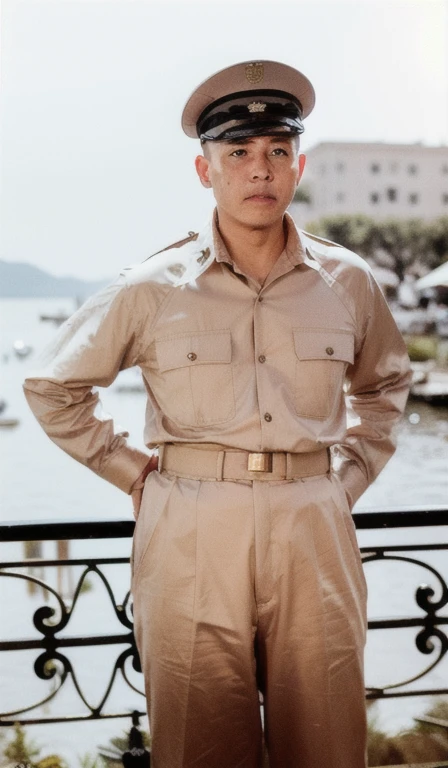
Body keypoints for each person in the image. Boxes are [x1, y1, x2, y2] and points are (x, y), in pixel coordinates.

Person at [23, 59, 411, 768]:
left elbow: (385, 389)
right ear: (206, 171)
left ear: (298, 167)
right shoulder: (150, 287)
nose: (259, 170)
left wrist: (344, 481)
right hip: (190, 528)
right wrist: (132, 473)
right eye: (238, 153)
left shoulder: (348, 282)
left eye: (276, 152)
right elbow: (52, 387)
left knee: (327, 744)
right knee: (199, 746)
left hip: (314, 526)